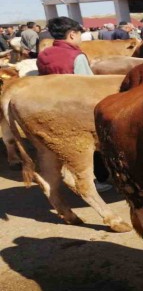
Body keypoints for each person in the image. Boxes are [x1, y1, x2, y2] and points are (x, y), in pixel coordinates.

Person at [36, 16, 111, 191]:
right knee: (93, 144)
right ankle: (99, 179)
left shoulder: (43, 54)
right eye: (79, 34)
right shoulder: (76, 56)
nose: (80, 39)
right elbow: (88, 85)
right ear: (71, 35)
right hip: (76, 107)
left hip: (52, 105)